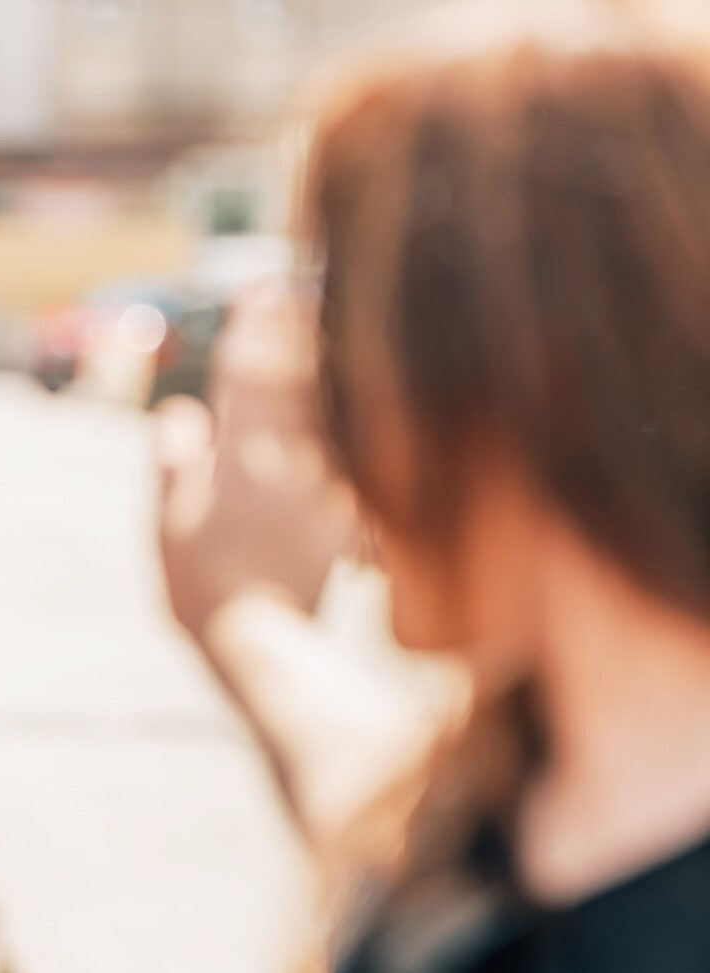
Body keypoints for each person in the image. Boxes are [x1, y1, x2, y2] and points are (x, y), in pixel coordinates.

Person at [155, 3, 710, 971]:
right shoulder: (563, 764)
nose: (335, 433)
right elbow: (390, 811)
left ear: (478, 380)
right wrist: (246, 616)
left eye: (345, 347)